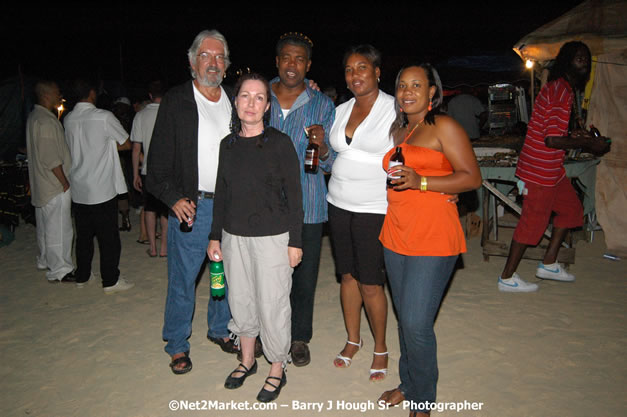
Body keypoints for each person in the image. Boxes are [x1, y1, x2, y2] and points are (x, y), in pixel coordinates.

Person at [377, 63, 482, 417]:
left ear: (432, 92)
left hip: (433, 236)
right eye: (402, 85)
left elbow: (471, 178)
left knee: (417, 322)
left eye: (416, 85)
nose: (407, 92)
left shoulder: (444, 126)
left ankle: (423, 402)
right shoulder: (400, 130)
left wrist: (424, 183)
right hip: (395, 234)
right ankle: (408, 384)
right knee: (405, 318)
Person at [208, 73, 303, 403]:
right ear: (235, 102)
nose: (251, 103)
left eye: (259, 97)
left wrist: (296, 241)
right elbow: (222, 194)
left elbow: (295, 195)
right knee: (242, 301)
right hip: (234, 237)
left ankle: (277, 366)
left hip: (273, 238)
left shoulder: (280, 143)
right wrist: (214, 236)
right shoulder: (228, 145)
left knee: (273, 304)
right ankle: (247, 360)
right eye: (245, 96)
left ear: (267, 105)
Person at [146, 29, 236, 375]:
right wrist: (173, 199)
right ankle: (177, 343)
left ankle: (220, 328)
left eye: (219, 57)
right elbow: (155, 168)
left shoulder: (233, 97)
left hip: (231, 206)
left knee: (226, 273)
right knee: (183, 278)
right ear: (191, 62)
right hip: (194, 207)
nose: (212, 63)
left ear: (226, 65)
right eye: (205, 55)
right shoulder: (176, 101)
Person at [498, 41, 611, 293]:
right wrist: (588, 145)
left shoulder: (562, 89)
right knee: (532, 225)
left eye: (586, 56)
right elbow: (551, 140)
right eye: (577, 56)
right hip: (539, 170)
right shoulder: (560, 90)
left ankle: (548, 263)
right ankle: (507, 277)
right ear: (566, 60)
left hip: (552, 170)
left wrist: (576, 134)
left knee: (571, 210)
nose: (582, 59)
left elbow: (552, 130)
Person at [326, 45, 395, 382]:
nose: (355, 75)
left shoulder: (393, 108)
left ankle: (380, 347)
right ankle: (353, 339)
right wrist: (321, 146)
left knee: (370, 282)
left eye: (362, 67)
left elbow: (415, 146)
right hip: (338, 203)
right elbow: (330, 153)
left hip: (374, 208)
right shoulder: (341, 110)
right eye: (349, 69)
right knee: (347, 276)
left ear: (378, 71)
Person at [269, 32, 335, 367]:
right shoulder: (257, 96)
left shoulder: (322, 104)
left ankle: (298, 338)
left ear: (308, 65)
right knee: (265, 276)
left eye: (299, 59)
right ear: (277, 60)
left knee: (304, 277)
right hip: (263, 206)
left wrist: (322, 146)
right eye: (286, 57)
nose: (292, 65)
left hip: (308, 202)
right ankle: (268, 334)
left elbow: (331, 161)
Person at [64, 79, 134, 294]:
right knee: (108, 238)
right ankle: (110, 280)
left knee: (84, 236)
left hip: (78, 186)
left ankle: (83, 276)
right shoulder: (103, 117)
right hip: (101, 187)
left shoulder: (68, 119)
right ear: (92, 94)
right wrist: (106, 143)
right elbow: (126, 142)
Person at [26, 80, 75, 283]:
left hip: (42, 183)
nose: (59, 95)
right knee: (60, 229)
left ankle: (46, 259)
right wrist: (64, 181)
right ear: (46, 95)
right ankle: (60, 269)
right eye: (56, 92)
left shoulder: (35, 116)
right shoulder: (45, 121)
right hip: (53, 184)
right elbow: (50, 157)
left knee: (46, 227)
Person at [131, 81, 168, 258]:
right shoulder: (169, 112)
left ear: (150, 96)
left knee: (150, 208)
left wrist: (135, 173)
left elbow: (136, 148)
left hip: (148, 170)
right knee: (166, 210)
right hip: (168, 170)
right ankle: (164, 248)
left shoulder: (140, 115)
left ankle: (152, 247)